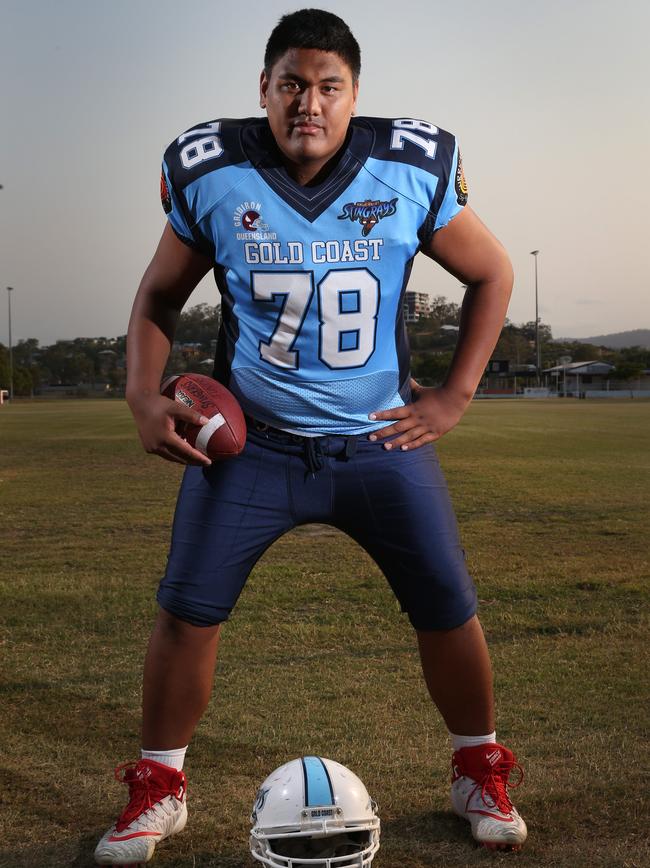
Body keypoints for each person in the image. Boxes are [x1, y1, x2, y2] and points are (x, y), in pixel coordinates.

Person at [94, 9, 526, 865]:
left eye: (329, 86)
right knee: (186, 613)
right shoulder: (212, 169)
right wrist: (143, 393)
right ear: (263, 88)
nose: (308, 103)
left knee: (448, 606)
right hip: (254, 447)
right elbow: (157, 299)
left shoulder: (409, 166)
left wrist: (453, 397)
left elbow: (492, 271)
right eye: (291, 83)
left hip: (378, 442)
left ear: (355, 95)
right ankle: (158, 787)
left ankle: (478, 768)